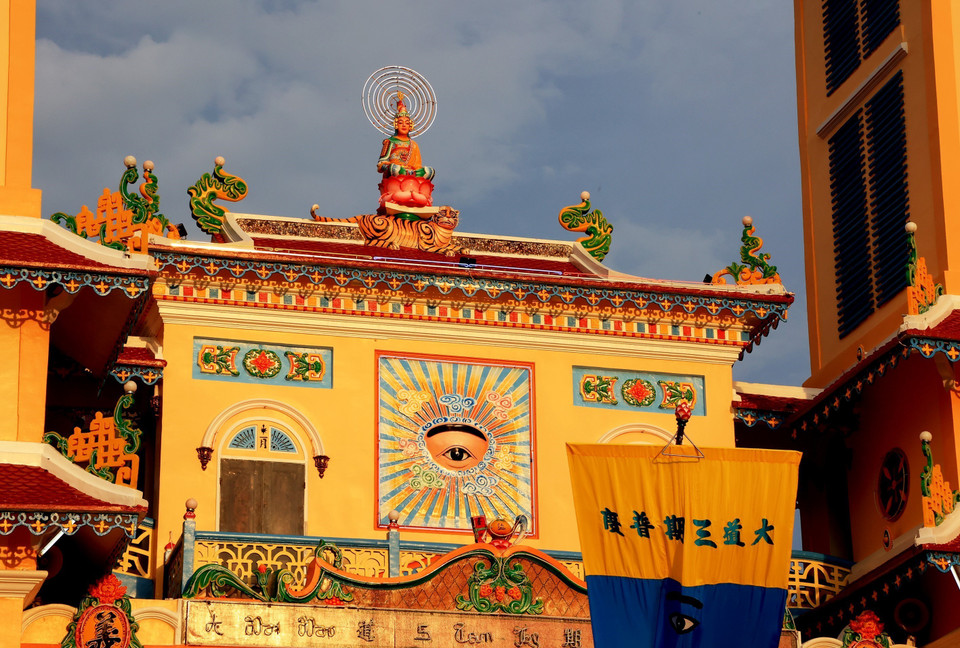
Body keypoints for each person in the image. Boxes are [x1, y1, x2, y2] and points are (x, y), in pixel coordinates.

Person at [377, 92, 435, 180]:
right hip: (396, 172)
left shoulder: (413, 144)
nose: (404, 125)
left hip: (413, 173)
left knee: (430, 171)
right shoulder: (390, 142)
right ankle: (405, 174)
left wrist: (415, 170)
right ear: (396, 125)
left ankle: (409, 175)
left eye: (407, 123)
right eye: (401, 123)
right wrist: (390, 166)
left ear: (410, 126)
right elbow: (380, 165)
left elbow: (417, 166)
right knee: (394, 169)